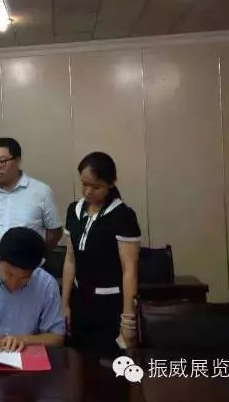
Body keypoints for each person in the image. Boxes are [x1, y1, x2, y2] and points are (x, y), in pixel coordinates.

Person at [61, 152, 141, 357]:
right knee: (78, 362)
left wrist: (128, 320)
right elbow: (70, 260)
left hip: (109, 305)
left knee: (109, 365)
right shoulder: (74, 210)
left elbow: (129, 270)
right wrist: (64, 304)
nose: (88, 191)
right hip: (80, 303)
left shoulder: (122, 215)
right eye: (84, 184)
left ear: (110, 183)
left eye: (96, 187)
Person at [0, 137, 62, 263]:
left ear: (17, 160)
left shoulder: (41, 191)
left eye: (2, 161)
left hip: (29, 268)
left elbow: (54, 232)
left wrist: (38, 256)